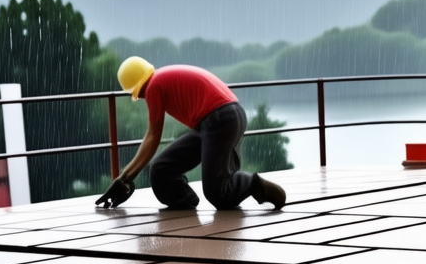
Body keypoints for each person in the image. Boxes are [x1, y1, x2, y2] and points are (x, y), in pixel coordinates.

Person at [95, 56, 285, 210]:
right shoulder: (161, 78)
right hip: (220, 119)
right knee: (161, 169)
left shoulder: (153, 86)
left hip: (220, 120)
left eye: (138, 94)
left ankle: (254, 184)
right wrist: (125, 177)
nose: (142, 98)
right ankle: (186, 200)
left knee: (218, 194)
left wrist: (125, 177)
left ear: (137, 88)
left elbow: (153, 137)